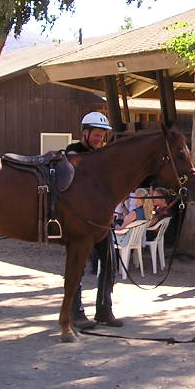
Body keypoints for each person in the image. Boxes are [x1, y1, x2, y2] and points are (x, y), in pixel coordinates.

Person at [65, 111, 121, 328]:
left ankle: (104, 310)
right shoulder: (72, 152)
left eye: (102, 136)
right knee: (77, 265)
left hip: (100, 220)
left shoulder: (103, 154)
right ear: (85, 133)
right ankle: (76, 312)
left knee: (110, 263)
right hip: (78, 221)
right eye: (96, 135)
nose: (99, 140)